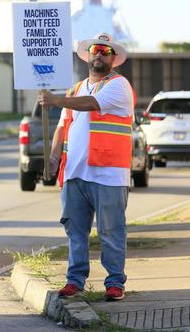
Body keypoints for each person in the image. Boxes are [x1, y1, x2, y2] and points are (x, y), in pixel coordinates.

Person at [38, 32, 134, 301]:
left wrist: (55, 100)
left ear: (113, 58)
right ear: (88, 54)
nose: (100, 54)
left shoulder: (118, 86)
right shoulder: (75, 89)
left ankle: (115, 282)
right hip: (75, 173)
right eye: (96, 49)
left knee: (111, 230)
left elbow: (91, 105)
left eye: (106, 51)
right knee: (75, 231)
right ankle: (74, 280)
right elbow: (62, 128)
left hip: (109, 174)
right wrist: (54, 158)